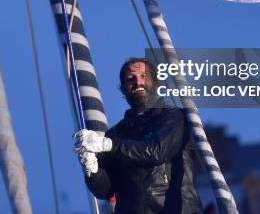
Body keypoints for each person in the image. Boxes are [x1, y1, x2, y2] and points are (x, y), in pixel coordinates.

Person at [74, 57, 203, 213]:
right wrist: (92, 169)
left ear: (156, 83)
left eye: (144, 76)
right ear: (123, 89)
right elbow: (105, 191)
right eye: (131, 78)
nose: (138, 82)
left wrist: (109, 145)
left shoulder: (174, 117)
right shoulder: (116, 133)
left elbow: (156, 151)